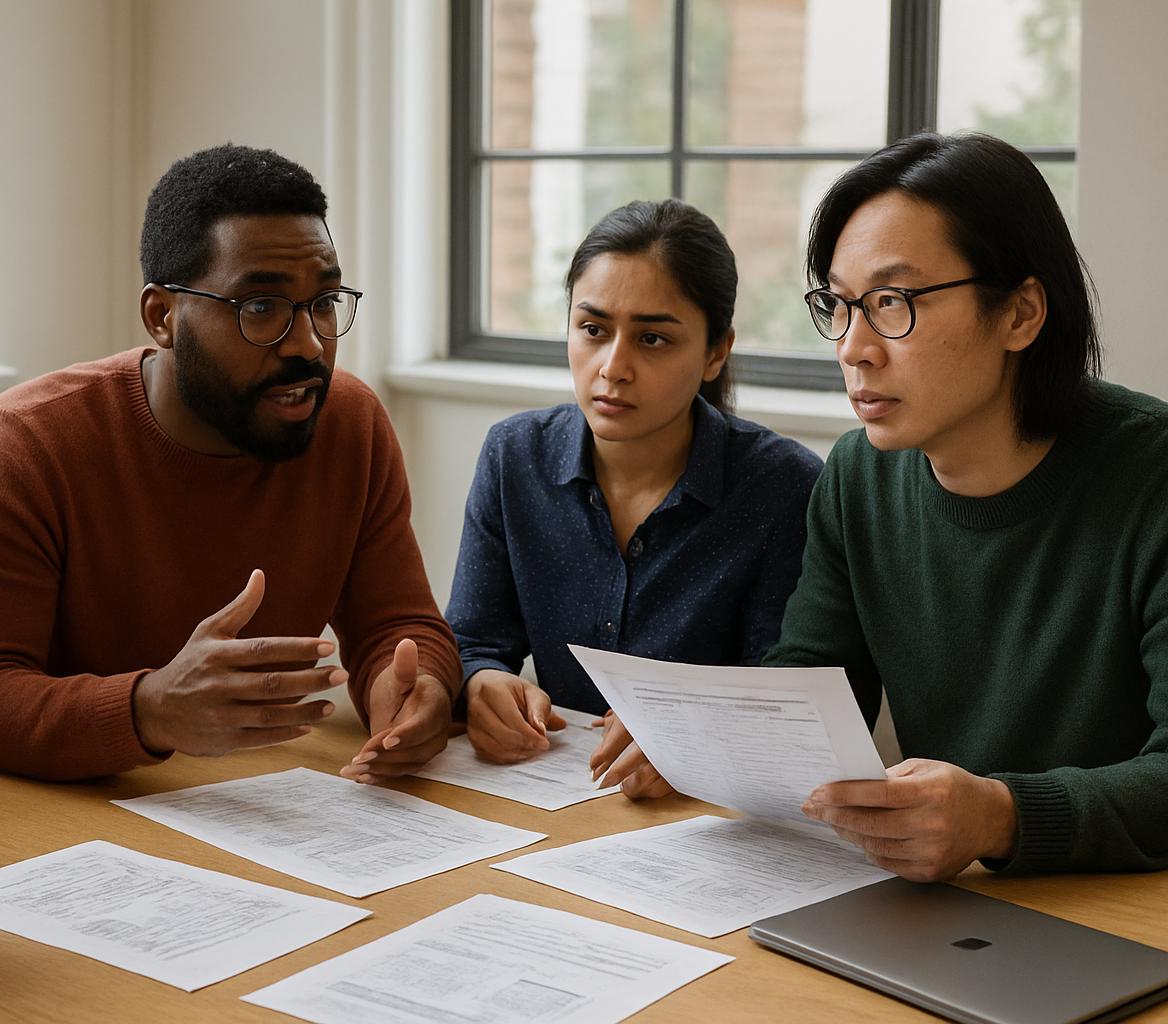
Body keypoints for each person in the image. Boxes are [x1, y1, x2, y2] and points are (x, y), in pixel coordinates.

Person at [0, 144, 461, 784]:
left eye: (323, 302)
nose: (310, 344)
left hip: (265, 801)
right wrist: (150, 709)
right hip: (65, 815)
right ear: (164, 316)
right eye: (260, 308)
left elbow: (398, 622)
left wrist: (414, 686)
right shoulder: (24, 445)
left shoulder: (349, 422)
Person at [765, 131, 1168, 881]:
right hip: (955, 910)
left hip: (1128, 909)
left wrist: (1001, 815)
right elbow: (812, 694)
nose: (854, 347)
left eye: (891, 302)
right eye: (841, 305)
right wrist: (698, 736)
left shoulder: (1152, 478)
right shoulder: (857, 476)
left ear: (1020, 313)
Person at [446, 199, 822, 796]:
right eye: (592, 330)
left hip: (710, 818)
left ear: (715, 352)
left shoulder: (782, 486)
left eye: (652, 339)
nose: (612, 367)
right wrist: (481, 682)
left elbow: (785, 693)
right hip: (546, 799)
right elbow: (471, 637)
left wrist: (690, 736)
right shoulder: (513, 457)